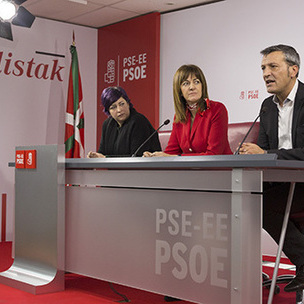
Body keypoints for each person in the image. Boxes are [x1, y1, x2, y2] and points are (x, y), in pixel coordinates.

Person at [239, 44, 304, 292]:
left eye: (273, 66)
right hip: (281, 182)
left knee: (261, 205)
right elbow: (263, 152)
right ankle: (242, 274)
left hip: (303, 181)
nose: (266, 73)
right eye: (263, 68)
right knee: (243, 198)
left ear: (293, 70)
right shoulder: (267, 106)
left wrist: (266, 153)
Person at [143, 64, 232, 157]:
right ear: (180, 91)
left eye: (196, 82)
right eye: (186, 83)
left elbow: (213, 155)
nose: (192, 87)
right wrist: (154, 157)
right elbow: (171, 152)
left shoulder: (217, 109)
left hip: (220, 170)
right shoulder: (179, 116)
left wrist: (175, 157)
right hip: (192, 171)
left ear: (202, 86)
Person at [87, 86, 161, 158]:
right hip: (116, 170)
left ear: (128, 103)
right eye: (113, 107)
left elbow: (136, 157)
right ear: (108, 111)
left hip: (145, 169)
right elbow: (102, 152)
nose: (119, 110)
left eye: (122, 104)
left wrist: (106, 158)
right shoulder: (107, 125)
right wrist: (96, 156)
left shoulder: (139, 121)